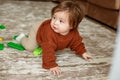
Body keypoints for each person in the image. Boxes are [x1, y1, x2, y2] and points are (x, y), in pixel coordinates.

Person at [16, 0, 93, 75]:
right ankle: (22, 38)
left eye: (61, 21)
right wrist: (51, 65)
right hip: (38, 28)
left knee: (48, 43)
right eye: (54, 17)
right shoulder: (49, 34)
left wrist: (83, 52)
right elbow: (48, 50)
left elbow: (77, 43)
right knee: (31, 47)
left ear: (72, 26)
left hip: (46, 33)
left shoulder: (74, 33)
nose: (55, 23)